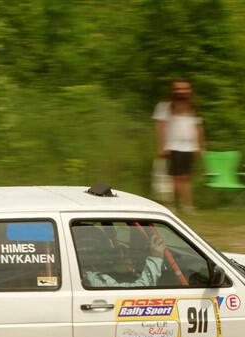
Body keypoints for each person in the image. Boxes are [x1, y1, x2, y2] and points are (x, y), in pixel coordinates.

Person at [153, 78, 206, 213]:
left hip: (189, 147)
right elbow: (160, 126)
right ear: (173, 90)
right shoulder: (164, 106)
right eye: (178, 88)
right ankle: (182, 206)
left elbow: (198, 127)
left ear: (189, 90)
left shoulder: (193, 107)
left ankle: (183, 206)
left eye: (184, 88)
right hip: (173, 147)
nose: (181, 91)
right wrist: (162, 145)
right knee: (177, 178)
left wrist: (200, 145)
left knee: (185, 177)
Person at [74, 227, 166, 288]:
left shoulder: (82, 271)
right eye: (107, 249)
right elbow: (142, 290)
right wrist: (156, 257)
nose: (113, 251)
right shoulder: (93, 279)